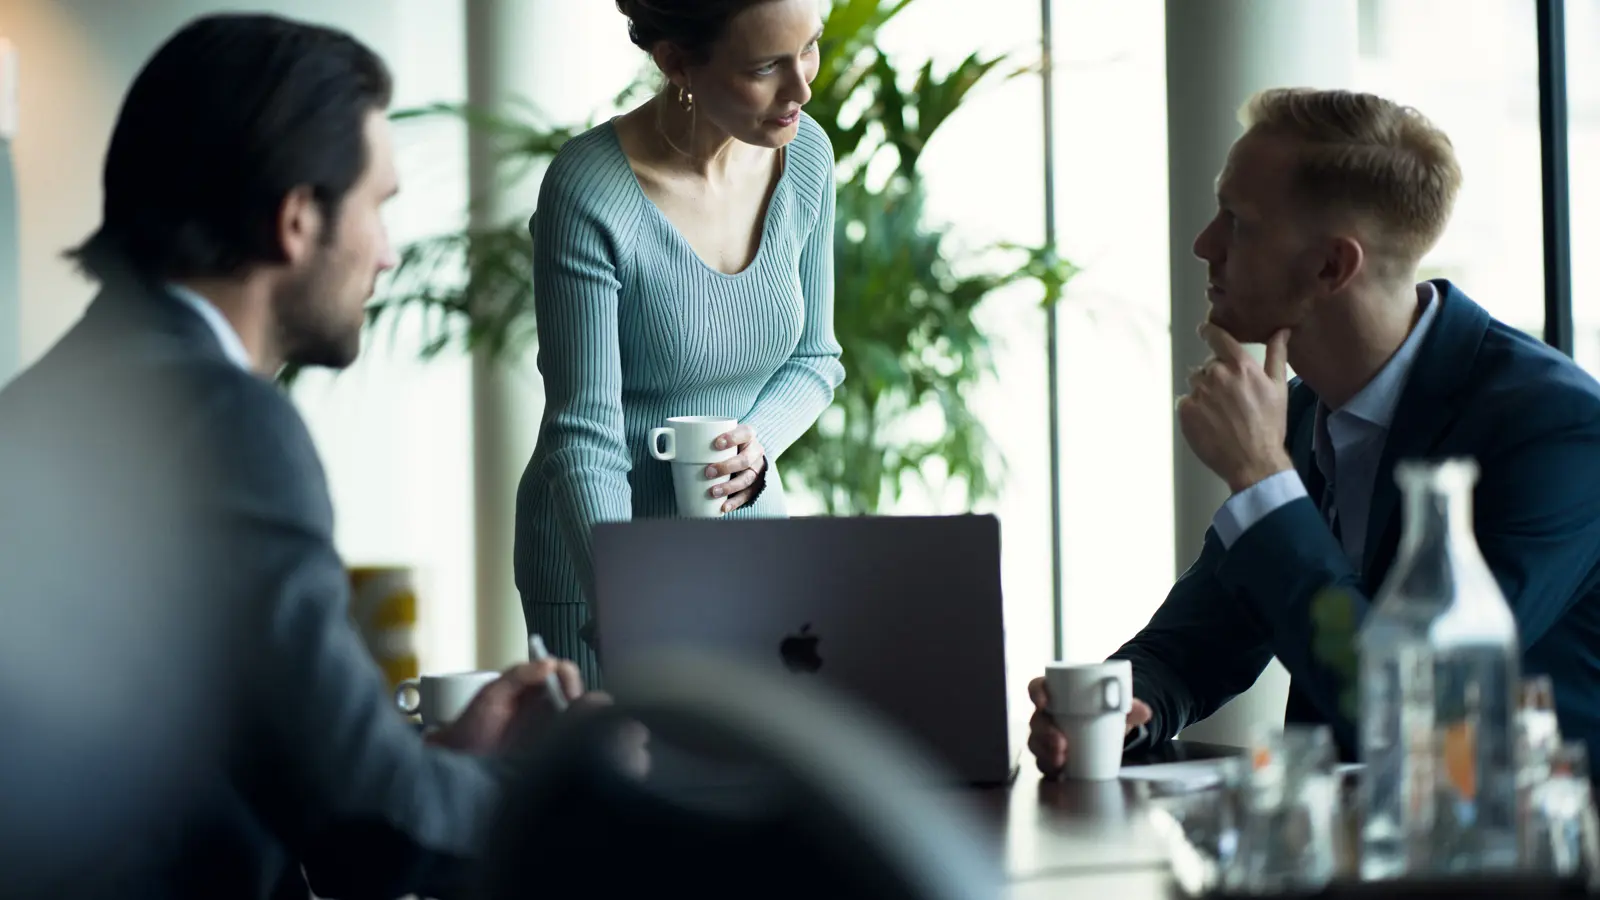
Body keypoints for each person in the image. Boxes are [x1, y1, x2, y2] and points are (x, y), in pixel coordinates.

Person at [0, 14, 641, 899]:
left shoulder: (52, 400)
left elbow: (264, 774)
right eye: (378, 207)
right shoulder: (226, 423)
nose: (387, 254)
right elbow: (366, 830)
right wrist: (562, 792)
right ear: (297, 219)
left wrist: (427, 762)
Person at [1027, 87, 1600, 774]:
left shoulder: (1556, 430)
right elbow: (1197, 642)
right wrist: (1124, 702)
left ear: (1332, 265)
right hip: (1364, 853)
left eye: (1237, 222)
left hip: (1536, 860)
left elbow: (1415, 714)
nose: (1203, 244)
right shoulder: (1304, 414)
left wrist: (1263, 479)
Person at [514, 0, 845, 684]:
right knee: (620, 782)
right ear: (677, 64)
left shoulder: (807, 154)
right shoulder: (589, 189)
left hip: (751, 548)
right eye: (765, 67)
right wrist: (626, 599)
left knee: (756, 781)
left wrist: (757, 439)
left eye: (809, 47)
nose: (802, 88)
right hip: (596, 555)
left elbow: (817, 359)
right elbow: (584, 434)